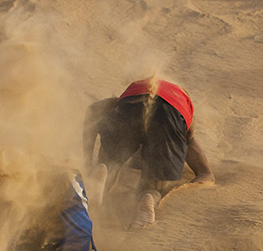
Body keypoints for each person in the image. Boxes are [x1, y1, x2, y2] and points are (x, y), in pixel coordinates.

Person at [83, 77, 215, 229]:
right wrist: (184, 188)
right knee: (154, 186)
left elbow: (92, 111)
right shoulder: (184, 123)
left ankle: (102, 172)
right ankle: (149, 196)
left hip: (131, 104)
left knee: (110, 163)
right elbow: (206, 174)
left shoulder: (136, 89)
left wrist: (88, 161)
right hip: (171, 113)